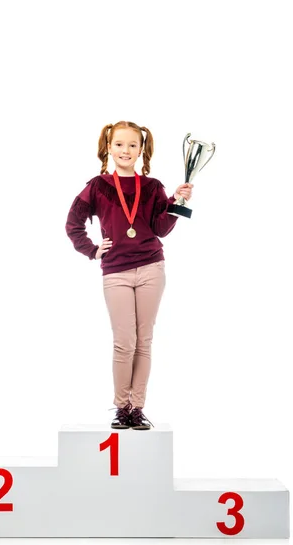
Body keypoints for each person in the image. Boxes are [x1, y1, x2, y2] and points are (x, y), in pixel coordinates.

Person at [65, 121, 193, 430]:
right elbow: (73, 223)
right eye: (119, 144)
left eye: (132, 145)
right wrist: (92, 249)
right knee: (125, 341)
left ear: (141, 150)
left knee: (144, 341)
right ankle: (122, 406)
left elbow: (161, 228)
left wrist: (177, 203)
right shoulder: (98, 186)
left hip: (151, 267)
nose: (126, 150)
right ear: (109, 147)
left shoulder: (151, 187)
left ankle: (138, 408)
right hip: (116, 272)